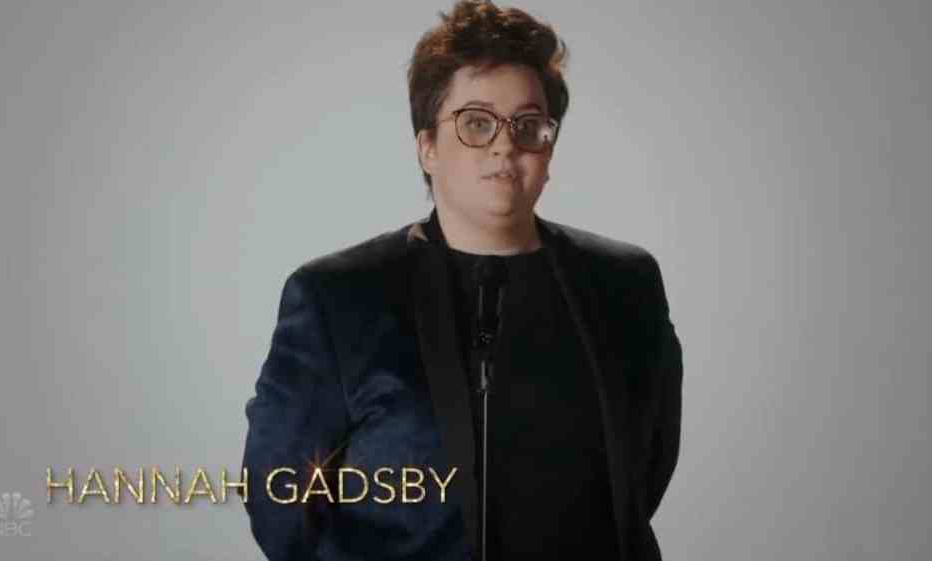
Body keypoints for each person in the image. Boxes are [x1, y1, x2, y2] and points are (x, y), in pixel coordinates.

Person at [240, 1, 683, 559]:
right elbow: (279, 496)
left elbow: (645, 469)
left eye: (528, 125)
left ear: (549, 148)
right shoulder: (337, 297)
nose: (505, 144)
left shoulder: (626, 285)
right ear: (427, 146)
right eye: (476, 122)